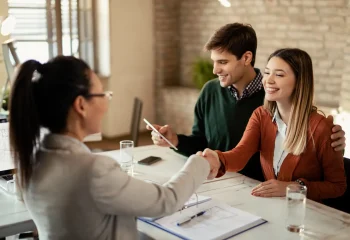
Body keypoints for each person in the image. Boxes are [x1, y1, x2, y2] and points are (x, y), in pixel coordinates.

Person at [9, 56, 218, 240]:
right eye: (102, 95)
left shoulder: (30, 161)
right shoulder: (94, 171)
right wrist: (199, 163)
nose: (106, 103)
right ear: (81, 105)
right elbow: (168, 200)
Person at [148, 23, 346, 182]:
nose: (215, 70)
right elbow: (212, 145)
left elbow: (319, 165)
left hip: (260, 187)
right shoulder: (211, 92)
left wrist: (331, 139)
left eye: (223, 62)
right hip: (220, 178)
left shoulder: (274, 98)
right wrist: (176, 141)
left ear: (246, 58)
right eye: (214, 62)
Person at [198, 48, 347, 202]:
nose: (268, 80)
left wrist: (295, 187)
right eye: (267, 72)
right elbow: (240, 155)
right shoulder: (261, 116)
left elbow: (337, 186)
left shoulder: (322, 128)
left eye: (279, 74)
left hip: (307, 215)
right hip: (274, 207)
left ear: (299, 82)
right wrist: (217, 157)